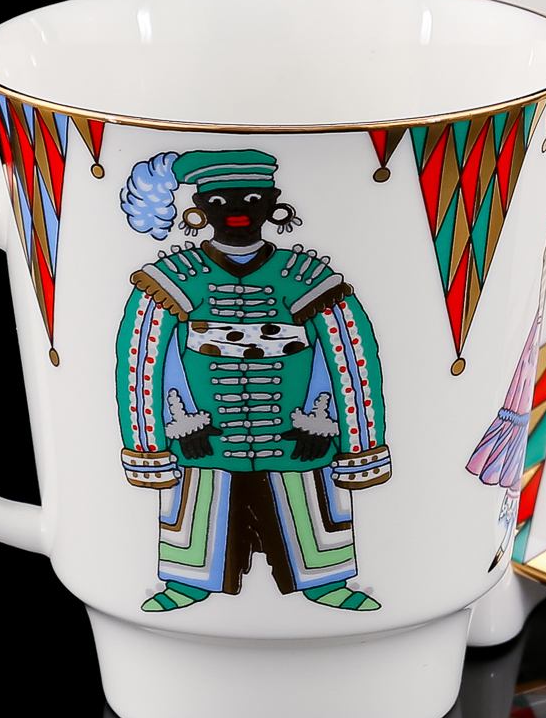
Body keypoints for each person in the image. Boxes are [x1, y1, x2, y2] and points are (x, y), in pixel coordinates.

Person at [116, 149, 388, 614]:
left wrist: (336, 429)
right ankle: (188, 581)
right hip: (202, 436)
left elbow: (348, 354)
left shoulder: (308, 279)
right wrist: (164, 434)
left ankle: (326, 580)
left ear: (273, 204)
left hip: (296, 434)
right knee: (199, 504)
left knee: (308, 502)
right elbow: (143, 359)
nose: (237, 211)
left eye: (252, 199)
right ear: (200, 208)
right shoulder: (171, 280)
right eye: (220, 202)